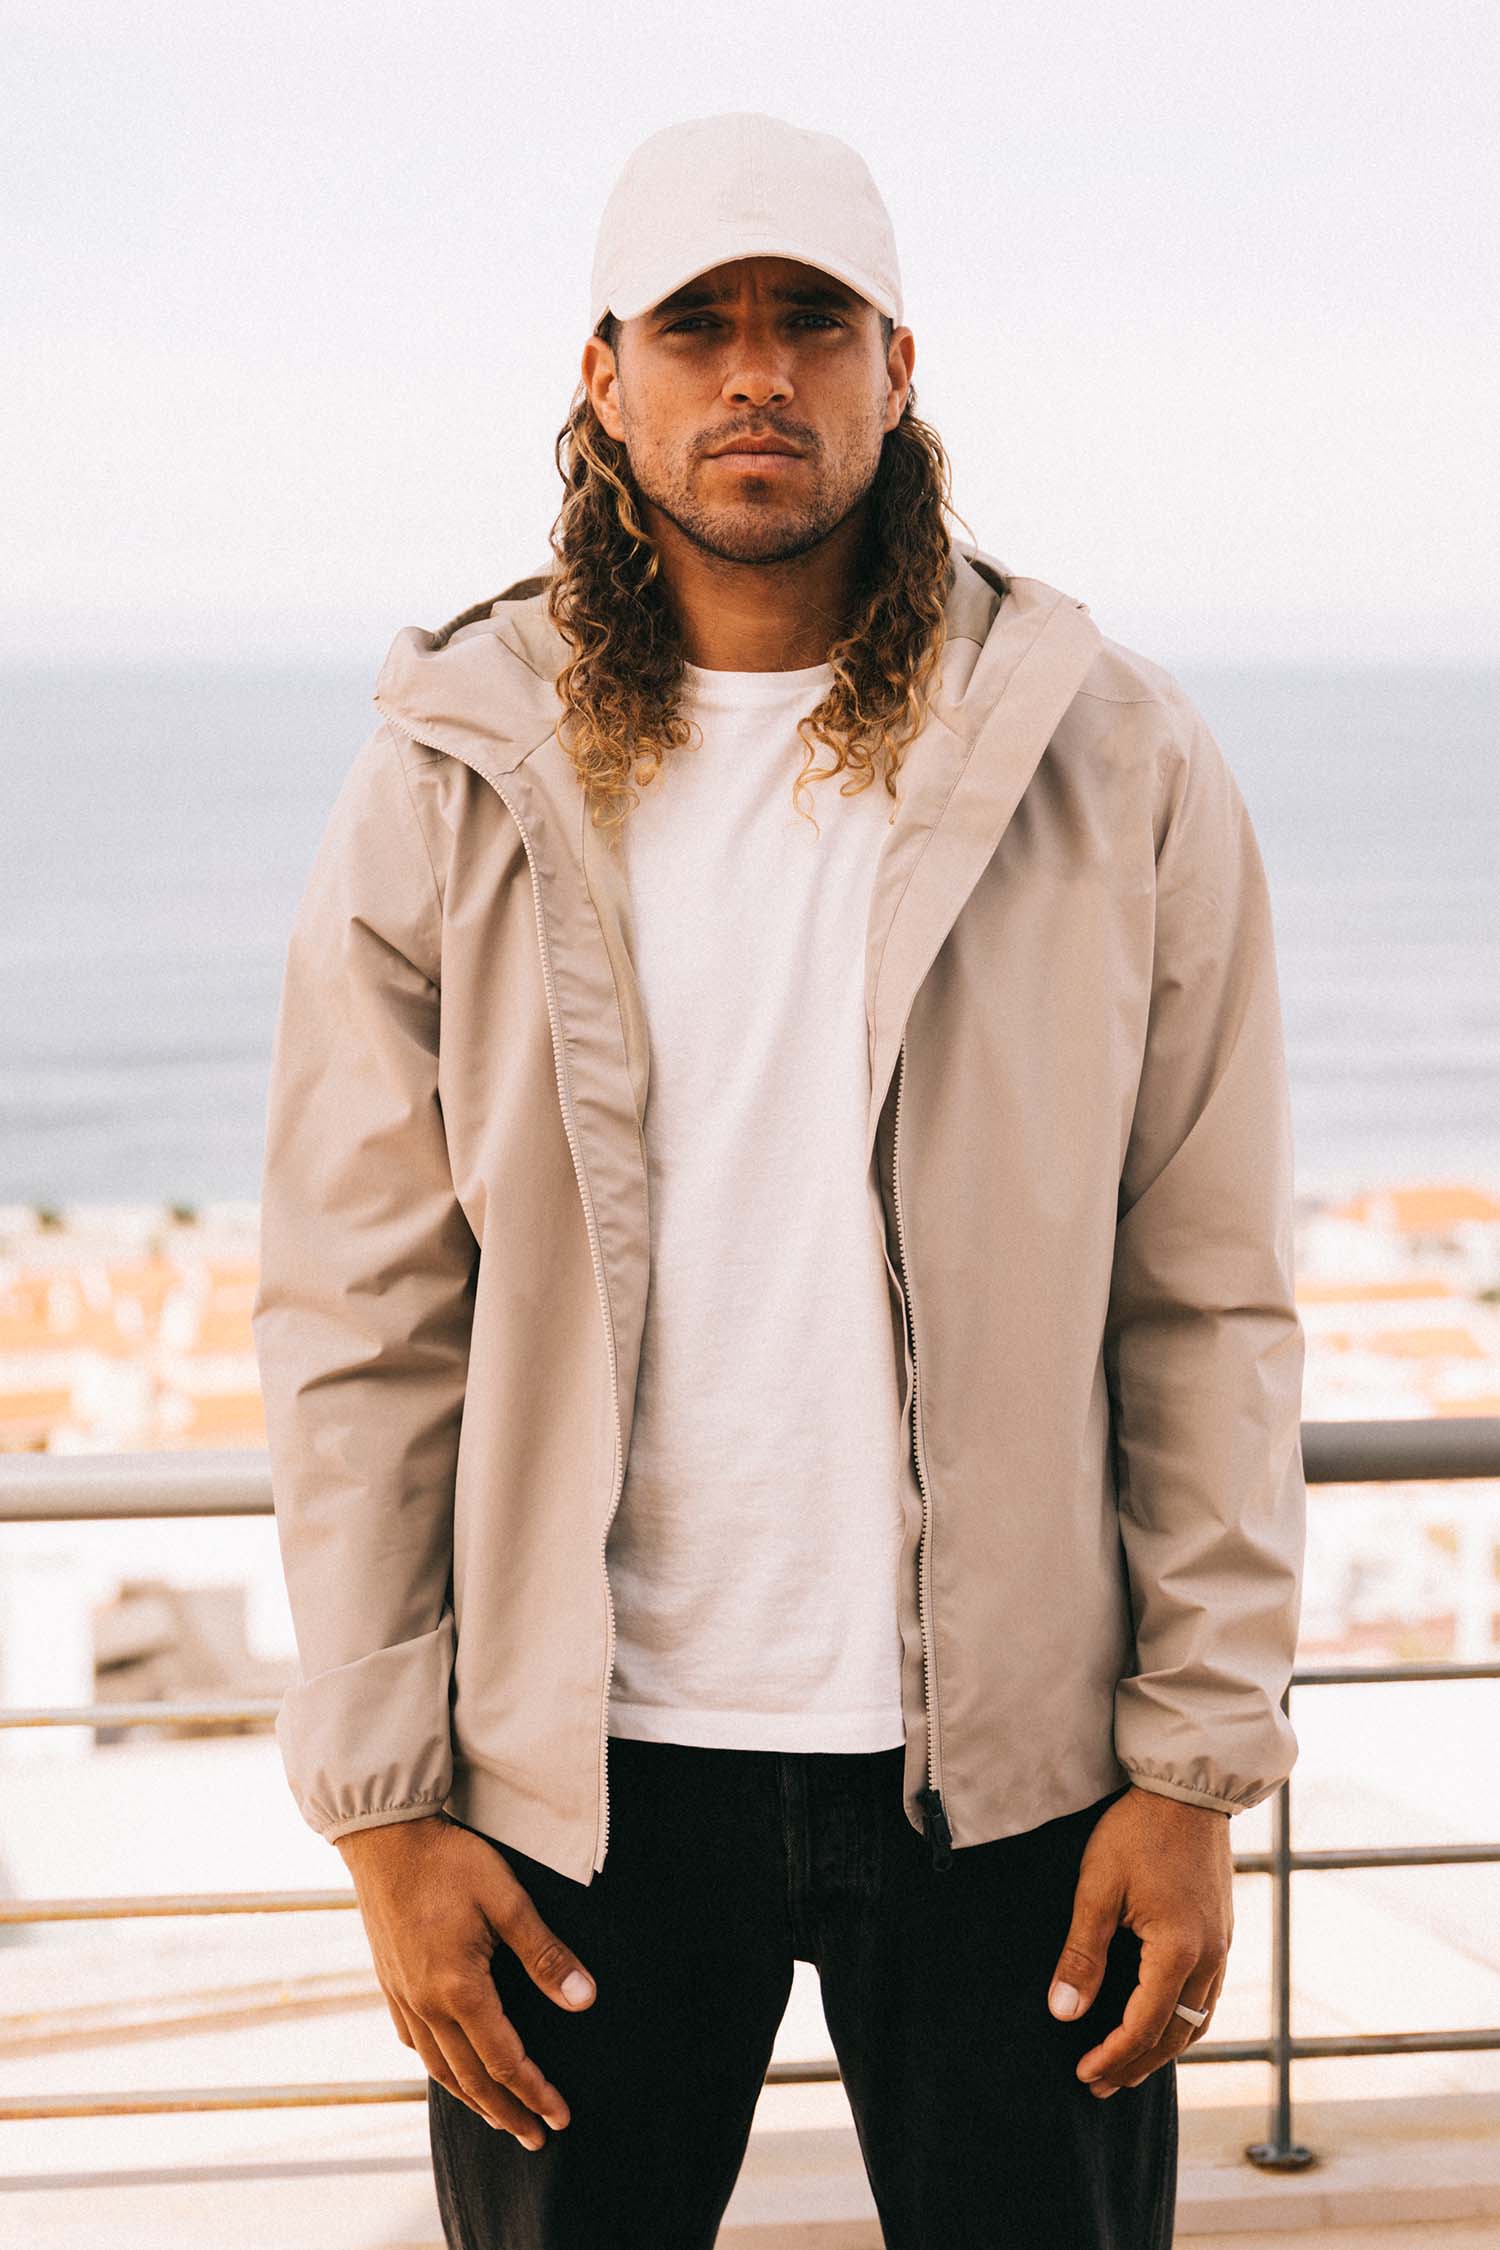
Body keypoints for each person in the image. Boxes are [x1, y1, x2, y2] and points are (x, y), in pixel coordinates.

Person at [251, 109, 1307, 2250]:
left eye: (812, 321)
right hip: (574, 1788)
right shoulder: (452, 770)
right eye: (699, 325)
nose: (758, 373)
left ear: (897, 368)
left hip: (1022, 1779)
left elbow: (1203, 1292)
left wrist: (1194, 1764)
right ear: (604, 374)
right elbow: (361, 1320)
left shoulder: (1111, 753)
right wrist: (386, 1813)